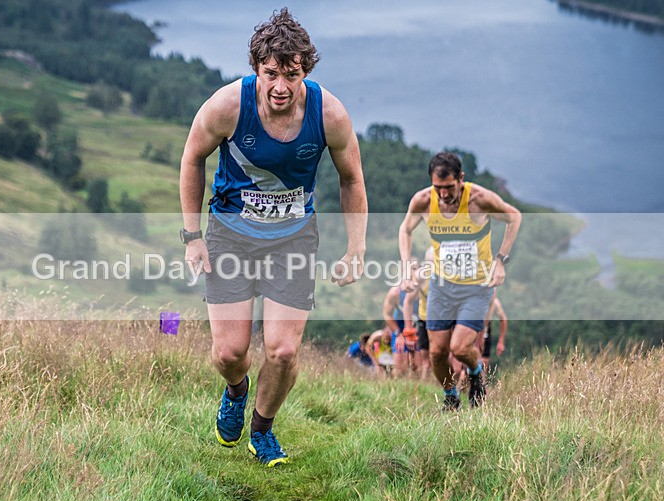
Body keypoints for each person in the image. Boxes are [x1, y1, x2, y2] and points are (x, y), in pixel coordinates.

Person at [179, 8, 367, 467]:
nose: (280, 86)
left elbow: (352, 178)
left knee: (282, 351)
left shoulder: (329, 114)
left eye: (292, 73)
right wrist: (192, 236)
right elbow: (191, 158)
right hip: (230, 234)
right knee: (229, 353)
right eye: (270, 74)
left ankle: (262, 430)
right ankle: (236, 390)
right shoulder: (227, 105)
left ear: (306, 70)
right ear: (256, 69)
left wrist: (356, 247)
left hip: (293, 239)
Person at [399, 151, 521, 410]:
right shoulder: (423, 200)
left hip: (476, 288)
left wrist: (500, 261)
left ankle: (476, 373)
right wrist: (407, 264)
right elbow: (405, 229)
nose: (443, 194)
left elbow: (514, 217)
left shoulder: (479, 199)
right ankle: (451, 397)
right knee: (436, 352)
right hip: (442, 287)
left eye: (449, 187)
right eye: (437, 188)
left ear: (461, 179)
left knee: (460, 347)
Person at [401, 247, 435, 378]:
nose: (431, 266)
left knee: (441, 356)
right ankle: (425, 390)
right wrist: (408, 330)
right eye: (429, 262)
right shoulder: (422, 276)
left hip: (444, 321)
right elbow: (408, 302)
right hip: (425, 319)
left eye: (435, 262)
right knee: (426, 362)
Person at [477, 294, 508, 378]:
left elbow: (503, 319)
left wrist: (501, 341)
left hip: (485, 336)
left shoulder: (494, 302)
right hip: (470, 333)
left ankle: (481, 387)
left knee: (483, 365)